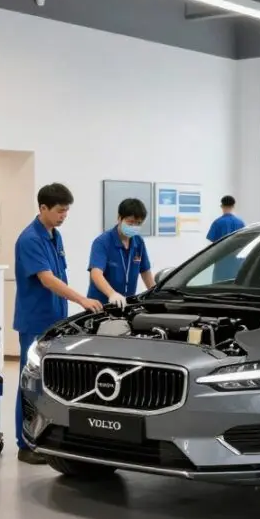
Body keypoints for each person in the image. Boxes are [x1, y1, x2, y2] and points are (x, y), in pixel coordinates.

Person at [13, 183, 103, 465]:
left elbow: (59, 274)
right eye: (60, 211)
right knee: (30, 384)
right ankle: (25, 443)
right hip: (35, 320)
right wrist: (81, 299)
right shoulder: (29, 239)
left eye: (67, 211)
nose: (64, 215)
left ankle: (47, 437)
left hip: (56, 320)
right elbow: (47, 279)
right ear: (43, 208)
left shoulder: (55, 236)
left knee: (52, 384)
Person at [88, 198, 155, 307]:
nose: (134, 227)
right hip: (101, 305)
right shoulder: (102, 242)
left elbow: (145, 272)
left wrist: (154, 294)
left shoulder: (138, 242)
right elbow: (96, 274)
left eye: (138, 223)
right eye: (130, 222)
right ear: (119, 218)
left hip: (125, 304)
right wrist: (112, 294)